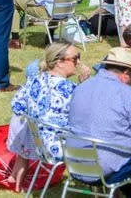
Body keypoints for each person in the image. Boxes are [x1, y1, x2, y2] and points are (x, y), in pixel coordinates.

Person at [67, 47, 131, 198]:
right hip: (105, 168)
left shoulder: (81, 88)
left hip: (75, 163)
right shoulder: (125, 93)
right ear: (126, 73)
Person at [7, 42, 89, 192]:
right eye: (75, 58)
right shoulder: (71, 89)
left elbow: (16, 106)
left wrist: (36, 116)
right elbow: (88, 117)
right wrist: (85, 85)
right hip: (60, 148)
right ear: (59, 63)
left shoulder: (33, 81)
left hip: (39, 147)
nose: (78, 62)